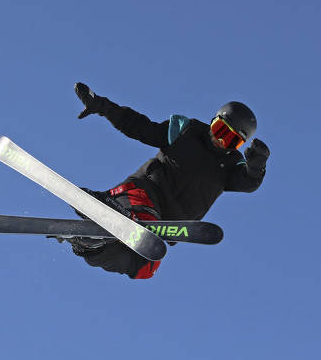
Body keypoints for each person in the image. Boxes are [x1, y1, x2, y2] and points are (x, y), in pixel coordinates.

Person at [68, 83, 269, 279]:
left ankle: (92, 245)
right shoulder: (186, 132)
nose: (220, 140)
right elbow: (139, 127)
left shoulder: (231, 165)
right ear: (212, 121)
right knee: (143, 216)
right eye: (219, 130)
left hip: (170, 220)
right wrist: (102, 106)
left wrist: (256, 166)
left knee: (144, 268)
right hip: (144, 192)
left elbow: (248, 182)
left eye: (231, 140)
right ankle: (114, 208)